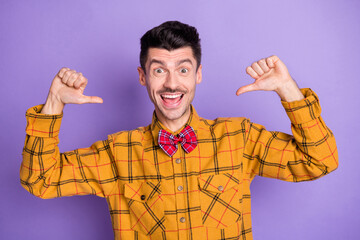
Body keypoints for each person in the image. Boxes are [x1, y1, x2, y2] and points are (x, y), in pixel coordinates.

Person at [20, 21, 338, 240]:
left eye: (182, 69)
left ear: (198, 74)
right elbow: (40, 180)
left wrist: (288, 90)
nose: (172, 83)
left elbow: (320, 161)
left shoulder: (240, 138)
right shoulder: (117, 152)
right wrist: (53, 104)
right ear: (143, 76)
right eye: (159, 70)